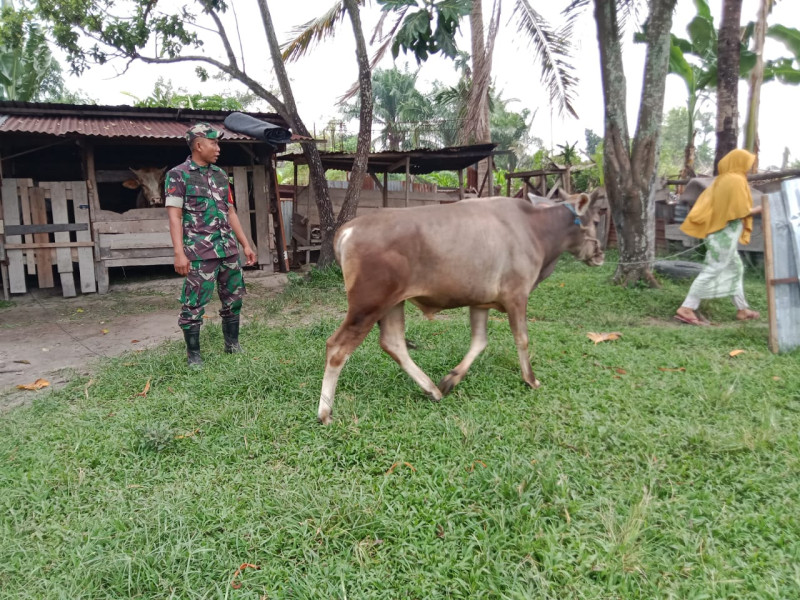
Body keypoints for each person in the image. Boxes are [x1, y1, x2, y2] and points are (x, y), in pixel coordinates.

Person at [165, 122, 256, 366]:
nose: (218, 148)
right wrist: (179, 253)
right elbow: (174, 216)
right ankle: (194, 356)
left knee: (233, 299)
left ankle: (232, 345)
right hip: (199, 253)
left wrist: (245, 244)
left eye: (218, 143)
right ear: (198, 145)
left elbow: (231, 212)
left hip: (227, 249)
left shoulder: (220, 175)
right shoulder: (178, 174)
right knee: (193, 305)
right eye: (214, 143)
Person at [675, 148, 762, 326]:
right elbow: (739, 212)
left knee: (736, 268)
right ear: (738, 162)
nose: (748, 166)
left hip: (719, 232)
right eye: (747, 162)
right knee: (713, 268)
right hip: (724, 233)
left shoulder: (724, 179)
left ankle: (742, 309)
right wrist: (764, 208)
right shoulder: (734, 180)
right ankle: (687, 307)